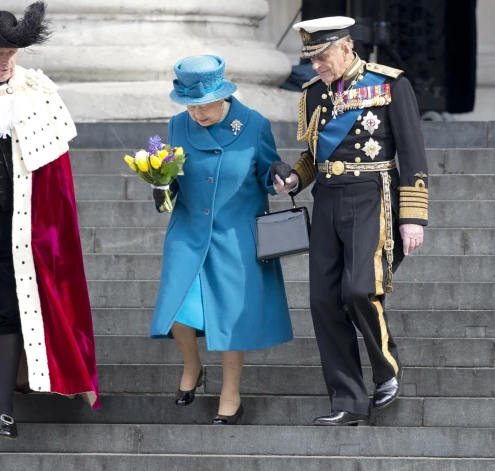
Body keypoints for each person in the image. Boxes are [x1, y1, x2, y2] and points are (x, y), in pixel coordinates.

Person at [271, 16, 429, 426]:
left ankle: (386, 369)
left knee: (360, 289)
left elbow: (412, 154)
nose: (317, 67)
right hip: (327, 201)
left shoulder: (391, 84)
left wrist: (412, 216)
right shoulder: (313, 94)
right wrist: (294, 178)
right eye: (312, 60)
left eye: (323, 57)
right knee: (324, 301)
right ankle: (348, 399)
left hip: (372, 198)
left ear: (345, 47)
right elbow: (312, 156)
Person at [0, 1, 99, 439]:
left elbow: (57, 186)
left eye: (12, 53)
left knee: (6, 311)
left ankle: (5, 407)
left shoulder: (38, 95)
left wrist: (45, 236)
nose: (6, 60)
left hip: (15, 226)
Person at [149, 55, 293, 425]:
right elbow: (172, 182)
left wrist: (277, 174)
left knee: (230, 319)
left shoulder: (254, 124)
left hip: (235, 235)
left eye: (203, 106)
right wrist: (159, 184)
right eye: (190, 107)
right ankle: (193, 366)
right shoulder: (178, 125)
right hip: (188, 231)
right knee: (176, 309)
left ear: (222, 95)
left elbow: (267, 171)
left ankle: (231, 393)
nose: (196, 114)